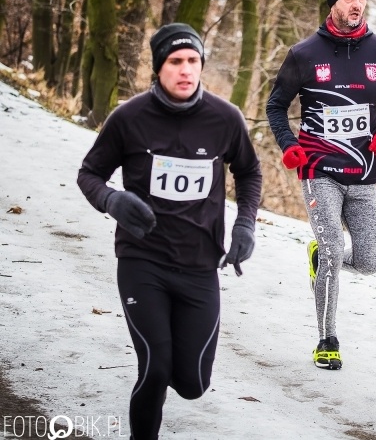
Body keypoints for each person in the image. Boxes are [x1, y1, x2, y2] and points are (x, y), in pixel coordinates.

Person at [77, 23, 262, 440]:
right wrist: (111, 200)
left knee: (193, 383)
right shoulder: (129, 118)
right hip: (142, 261)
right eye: (176, 61)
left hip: (199, 265)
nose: (185, 69)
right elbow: (89, 174)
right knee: (156, 367)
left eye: (193, 60)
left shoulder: (224, 118)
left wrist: (245, 224)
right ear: (159, 67)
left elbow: (249, 171)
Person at [266, 0, 376, 370]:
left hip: (363, 173)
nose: (357, 4)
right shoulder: (305, 54)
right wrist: (290, 145)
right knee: (331, 251)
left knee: (368, 262)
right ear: (333, 4)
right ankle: (327, 340)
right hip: (319, 170)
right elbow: (276, 106)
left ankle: (320, 257)